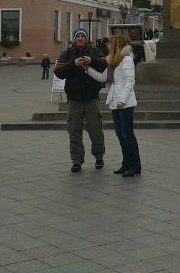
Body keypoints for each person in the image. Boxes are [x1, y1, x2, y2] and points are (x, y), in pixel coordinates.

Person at [86, 35, 141, 177]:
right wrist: (87, 69)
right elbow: (103, 78)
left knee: (127, 135)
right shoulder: (112, 60)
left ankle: (135, 166)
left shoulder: (127, 60)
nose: (108, 46)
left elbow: (130, 81)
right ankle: (126, 163)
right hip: (115, 102)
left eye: (110, 43)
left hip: (125, 103)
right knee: (120, 134)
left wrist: (122, 100)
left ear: (116, 44)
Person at [54, 28, 108, 172]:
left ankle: (99, 157)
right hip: (74, 100)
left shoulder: (94, 51)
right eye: (77, 36)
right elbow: (58, 72)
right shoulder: (67, 53)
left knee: (96, 131)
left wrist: (92, 60)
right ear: (74, 38)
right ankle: (77, 160)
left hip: (92, 99)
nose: (80, 38)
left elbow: (104, 65)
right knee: (74, 132)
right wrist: (73, 64)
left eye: (82, 36)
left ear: (86, 38)